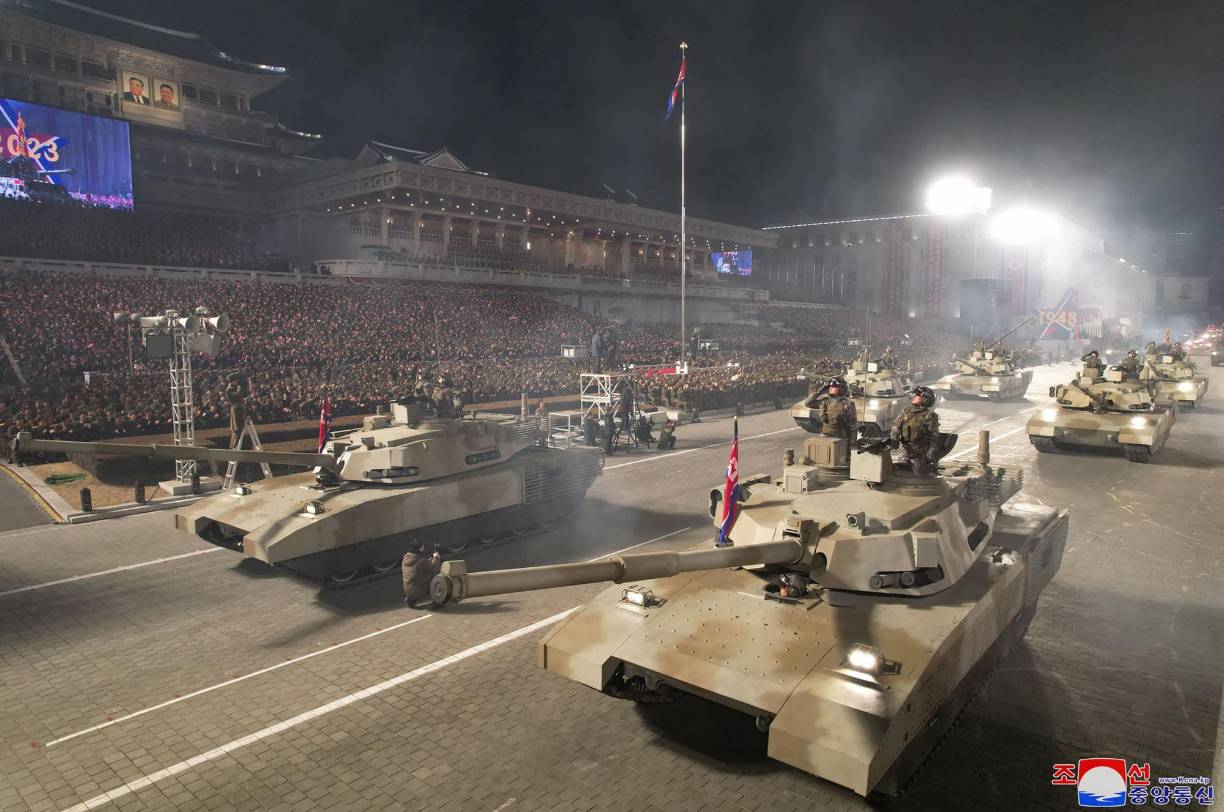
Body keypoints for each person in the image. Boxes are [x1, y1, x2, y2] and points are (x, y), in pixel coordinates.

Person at [890, 386, 941, 477]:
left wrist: (930, 453)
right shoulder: (905, 411)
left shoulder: (930, 416)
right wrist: (894, 438)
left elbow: (934, 437)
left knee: (917, 477)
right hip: (904, 450)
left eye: (918, 395)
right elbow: (896, 427)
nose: (915, 396)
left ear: (925, 399)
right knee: (902, 474)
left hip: (920, 453)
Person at [805, 377, 857, 441]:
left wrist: (852, 443)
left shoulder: (848, 404)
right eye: (830, 386)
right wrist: (820, 391)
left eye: (834, 386)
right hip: (825, 435)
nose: (831, 388)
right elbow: (808, 403)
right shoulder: (824, 401)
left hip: (841, 438)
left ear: (841, 389)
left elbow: (853, 425)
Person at [402, 544, 442, 608]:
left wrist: (427, 562)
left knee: (416, 579)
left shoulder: (405, 559)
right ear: (419, 549)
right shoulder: (421, 560)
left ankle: (410, 600)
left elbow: (416, 569)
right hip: (417, 590)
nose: (423, 549)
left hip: (407, 588)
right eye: (422, 548)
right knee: (435, 578)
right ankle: (438, 601)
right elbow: (434, 569)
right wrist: (436, 557)